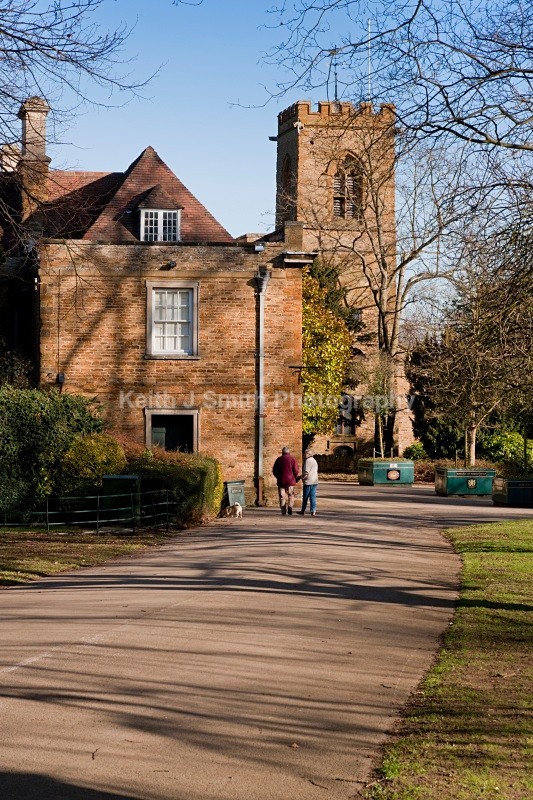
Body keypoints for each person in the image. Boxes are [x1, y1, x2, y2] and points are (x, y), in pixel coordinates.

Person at [272, 446, 299, 515]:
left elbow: (274, 470)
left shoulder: (279, 459)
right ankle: (290, 507)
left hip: (281, 480)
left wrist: (278, 477)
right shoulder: (292, 459)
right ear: (288, 452)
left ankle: (283, 511)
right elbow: (296, 470)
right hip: (290, 480)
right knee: (291, 495)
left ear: (282, 452)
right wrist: (295, 477)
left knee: (282, 496)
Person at [298, 449, 319, 516]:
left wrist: (301, 477)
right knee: (312, 496)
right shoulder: (314, 460)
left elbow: (306, 472)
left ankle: (303, 510)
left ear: (308, 454)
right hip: (314, 481)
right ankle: (313, 511)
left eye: (305, 453)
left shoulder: (308, 461)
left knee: (305, 497)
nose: (304, 454)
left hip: (308, 481)